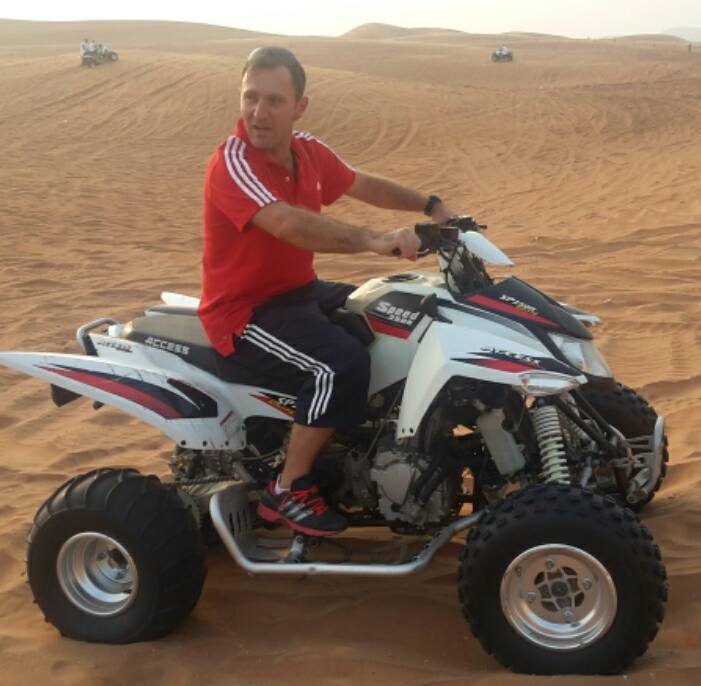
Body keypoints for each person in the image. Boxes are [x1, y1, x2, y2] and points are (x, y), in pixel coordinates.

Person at [198, 46, 455, 537]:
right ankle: (288, 488)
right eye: (251, 97)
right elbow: (287, 224)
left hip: (299, 291)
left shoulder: (307, 151)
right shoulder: (232, 163)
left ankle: (368, 440)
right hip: (245, 313)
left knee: (397, 317)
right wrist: (372, 240)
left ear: (300, 107)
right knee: (339, 364)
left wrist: (431, 205)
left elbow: (362, 184)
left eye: (274, 101)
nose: (259, 112)